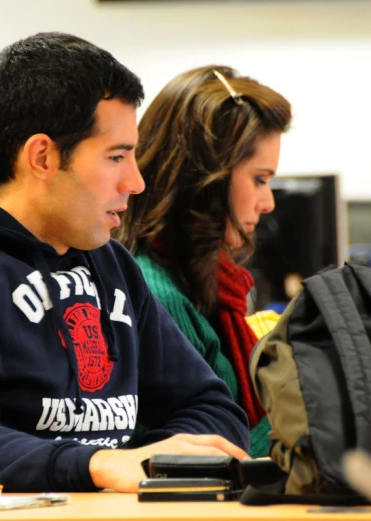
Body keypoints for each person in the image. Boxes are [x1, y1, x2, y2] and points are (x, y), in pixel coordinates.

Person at [0, 33, 251, 494]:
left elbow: (211, 404)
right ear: (43, 157)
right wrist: (101, 466)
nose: (134, 182)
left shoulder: (110, 262)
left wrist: (150, 462)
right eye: (116, 157)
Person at [114, 65, 292, 458]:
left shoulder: (210, 281)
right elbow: (217, 453)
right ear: (206, 179)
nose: (268, 202)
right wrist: (306, 406)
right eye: (260, 179)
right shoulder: (158, 292)